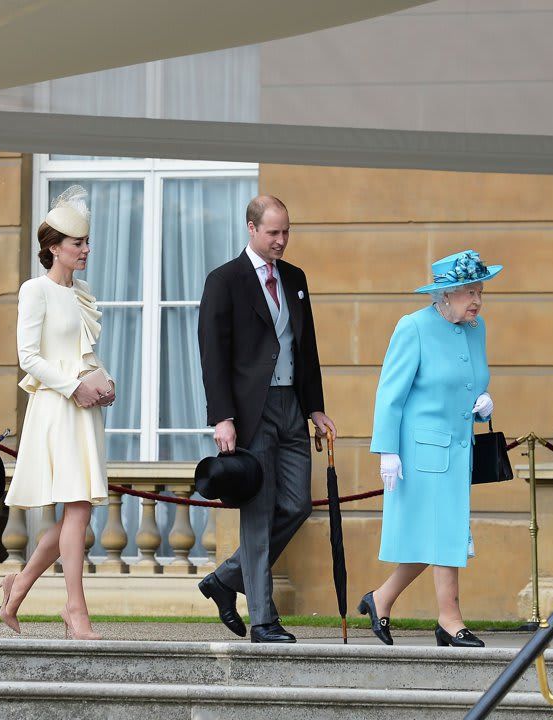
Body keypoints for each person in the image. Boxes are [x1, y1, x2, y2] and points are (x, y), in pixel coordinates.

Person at [196, 195, 336, 644]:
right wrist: (223, 417)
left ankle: (226, 579)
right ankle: (263, 619)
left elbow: (306, 346)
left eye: (286, 232)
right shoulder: (225, 280)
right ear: (251, 229)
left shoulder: (295, 278)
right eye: (273, 232)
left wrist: (314, 407)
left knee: (297, 504)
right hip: (250, 412)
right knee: (256, 516)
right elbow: (212, 356)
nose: (281, 240)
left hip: (291, 407)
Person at [358, 250, 501, 647]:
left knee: (439, 534)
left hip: (460, 449)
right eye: (469, 292)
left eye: (480, 291)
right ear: (446, 295)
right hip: (419, 451)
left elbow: (470, 381)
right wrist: (387, 450)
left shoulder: (477, 328)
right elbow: (390, 393)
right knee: (445, 531)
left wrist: (483, 402)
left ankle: (381, 598)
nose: (477, 300)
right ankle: (450, 619)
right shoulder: (414, 327)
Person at [0, 186, 114, 639]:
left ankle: (18, 587)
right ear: (53, 248)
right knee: (79, 508)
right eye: (76, 244)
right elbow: (29, 356)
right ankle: (75, 609)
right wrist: (73, 389)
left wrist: (103, 385)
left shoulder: (80, 293)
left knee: (75, 512)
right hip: (56, 408)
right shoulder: (36, 290)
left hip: (83, 410)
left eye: (86, 243)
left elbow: (81, 353)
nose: (85, 250)